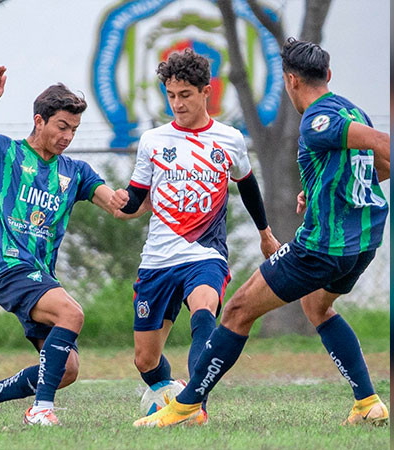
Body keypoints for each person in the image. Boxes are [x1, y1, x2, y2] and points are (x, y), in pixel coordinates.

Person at [134, 37, 390, 428]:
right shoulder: (352, 109)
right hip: (364, 241)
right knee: (316, 307)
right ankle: (368, 402)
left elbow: (385, 146)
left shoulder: (318, 120)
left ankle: (185, 405)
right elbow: (376, 166)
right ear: (329, 75)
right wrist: (321, 189)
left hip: (323, 246)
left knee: (237, 311)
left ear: (290, 80)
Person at [0, 66, 122, 426]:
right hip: (9, 269)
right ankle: (41, 410)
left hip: (41, 276)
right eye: (61, 127)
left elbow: (117, 206)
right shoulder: (3, 151)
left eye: (74, 129)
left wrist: (148, 195)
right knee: (72, 314)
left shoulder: (76, 172)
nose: (67, 136)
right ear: (39, 121)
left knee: (66, 369)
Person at [108, 49, 279, 424]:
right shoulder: (153, 140)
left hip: (205, 253)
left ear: (206, 92)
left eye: (185, 95)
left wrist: (266, 234)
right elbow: (136, 196)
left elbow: (248, 187)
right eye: (171, 95)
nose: (177, 103)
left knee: (204, 309)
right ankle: (172, 392)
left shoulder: (229, 139)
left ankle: (194, 405)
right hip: (157, 260)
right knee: (145, 358)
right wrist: (120, 201)